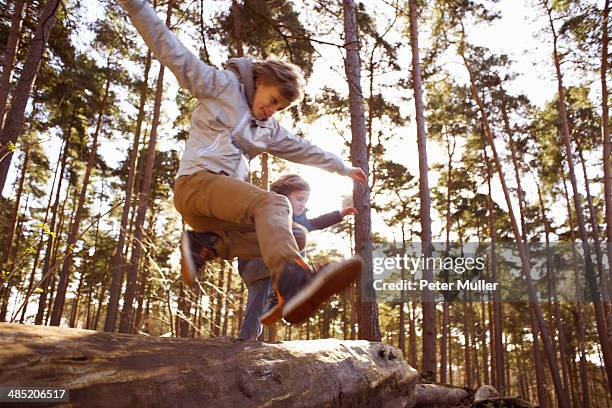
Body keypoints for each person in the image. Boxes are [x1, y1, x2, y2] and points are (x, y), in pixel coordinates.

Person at [118, 0, 365, 324]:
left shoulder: (268, 129)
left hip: (218, 208)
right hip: (196, 184)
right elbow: (172, 50)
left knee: (297, 235)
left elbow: (302, 147)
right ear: (261, 78)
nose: (271, 109)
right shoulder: (220, 85)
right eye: (272, 100)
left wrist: (341, 167)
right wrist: (135, 6)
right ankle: (292, 286)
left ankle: (206, 244)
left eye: (279, 108)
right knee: (275, 205)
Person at [238, 174, 357, 340]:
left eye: (306, 201)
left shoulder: (299, 219)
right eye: (300, 199)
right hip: (255, 264)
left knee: (257, 308)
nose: (303, 205)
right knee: (297, 238)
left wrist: (339, 214)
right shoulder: (269, 210)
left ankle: (250, 335)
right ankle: (298, 280)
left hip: (272, 270)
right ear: (283, 196)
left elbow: (316, 223)